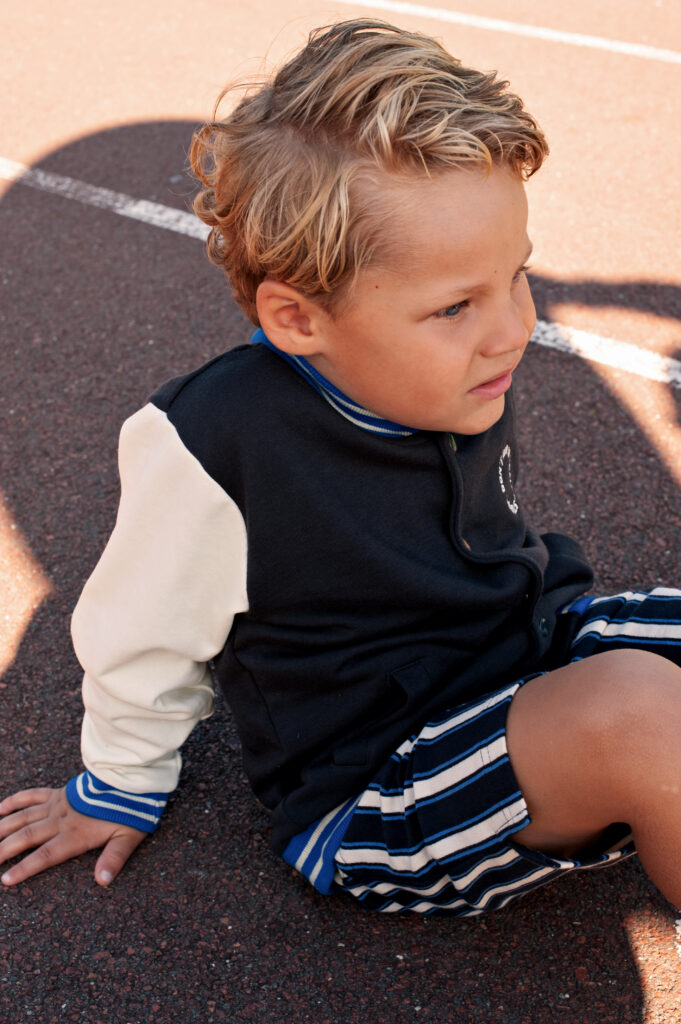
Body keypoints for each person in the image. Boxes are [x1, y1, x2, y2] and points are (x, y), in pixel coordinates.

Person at [2, 19, 681, 915]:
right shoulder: (216, 441)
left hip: (524, 654)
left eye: (515, 276)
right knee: (637, 713)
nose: (513, 328)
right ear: (297, 319)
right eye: (454, 306)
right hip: (375, 780)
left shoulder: (454, 369)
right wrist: (116, 784)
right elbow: (141, 636)